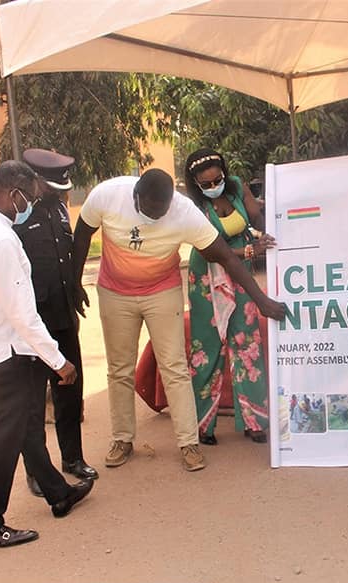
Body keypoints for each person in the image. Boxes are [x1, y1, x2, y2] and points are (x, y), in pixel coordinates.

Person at [72, 168, 286, 471]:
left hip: (162, 290)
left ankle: (188, 443)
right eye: (148, 210)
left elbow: (224, 256)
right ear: (135, 196)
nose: (155, 218)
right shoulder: (107, 195)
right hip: (115, 291)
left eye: (161, 212)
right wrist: (73, 282)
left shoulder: (184, 212)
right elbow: (82, 236)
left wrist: (260, 299)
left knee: (174, 366)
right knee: (119, 368)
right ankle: (122, 439)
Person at [0, 161, 93, 550]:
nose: (29, 205)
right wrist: (59, 361)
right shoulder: (0, 240)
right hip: (9, 351)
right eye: (27, 198)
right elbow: (21, 312)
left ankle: (57, 492)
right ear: (13, 192)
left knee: (25, 424)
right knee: (3, 436)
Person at [16, 149, 97, 498]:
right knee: (34, 401)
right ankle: (37, 470)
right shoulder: (16, 216)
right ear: (33, 182)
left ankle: (73, 459)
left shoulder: (61, 209)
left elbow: (64, 258)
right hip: (34, 323)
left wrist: (75, 288)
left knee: (69, 391)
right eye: (51, 187)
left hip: (63, 317)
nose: (59, 192)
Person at [182, 149, 276, 446]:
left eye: (216, 180)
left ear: (224, 173)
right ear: (195, 184)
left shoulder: (236, 186)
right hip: (207, 278)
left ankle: (254, 420)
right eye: (205, 184)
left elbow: (257, 216)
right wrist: (250, 250)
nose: (213, 187)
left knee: (246, 343)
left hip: (240, 275)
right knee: (207, 349)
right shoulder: (192, 206)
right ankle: (202, 425)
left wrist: (263, 230)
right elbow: (208, 248)